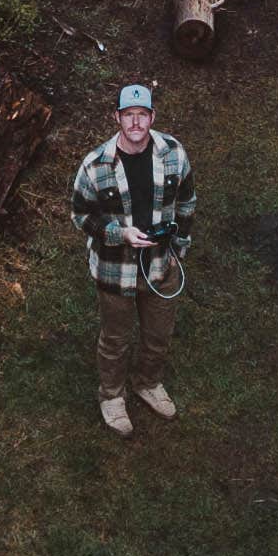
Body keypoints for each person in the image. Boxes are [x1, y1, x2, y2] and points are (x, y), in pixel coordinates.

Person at [68, 81, 194, 434]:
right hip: (115, 271)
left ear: (152, 116)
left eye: (142, 114)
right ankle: (111, 396)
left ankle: (147, 383)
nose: (135, 122)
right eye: (128, 115)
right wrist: (119, 234)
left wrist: (178, 249)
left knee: (158, 334)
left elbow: (186, 202)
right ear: (117, 118)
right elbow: (81, 215)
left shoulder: (174, 154)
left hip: (162, 266)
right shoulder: (95, 165)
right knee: (115, 339)